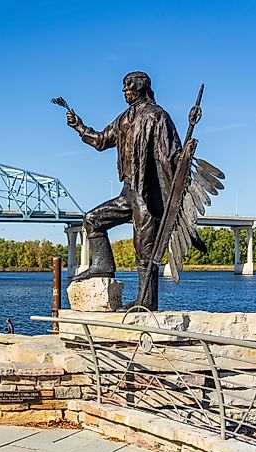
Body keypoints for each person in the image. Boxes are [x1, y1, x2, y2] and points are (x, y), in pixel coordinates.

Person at [65, 71, 205, 310]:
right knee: (92, 220)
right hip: (128, 191)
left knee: (144, 251)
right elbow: (101, 141)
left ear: (142, 87)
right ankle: (102, 265)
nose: (124, 90)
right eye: (123, 86)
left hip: (148, 194)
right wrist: (79, 126)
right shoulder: (125, 118)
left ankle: (146, 301)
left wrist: (185, 155)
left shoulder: (158, 116)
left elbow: (172, 155)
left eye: (128, 86)